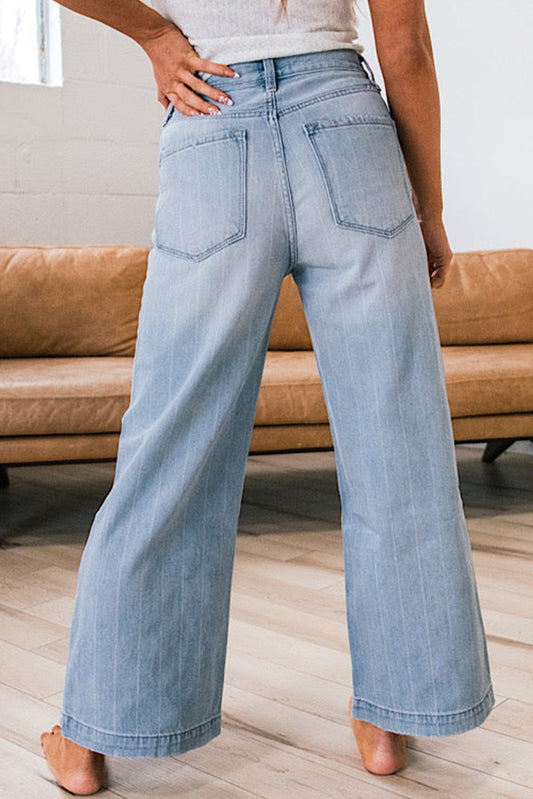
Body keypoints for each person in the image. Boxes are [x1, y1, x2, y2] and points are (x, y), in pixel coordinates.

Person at [40, 0, 495, 793]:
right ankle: (395, 718)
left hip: (211, 117)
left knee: (169, 447)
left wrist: (155, 34)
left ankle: (93, 735)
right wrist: (428, 208)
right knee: (399, 442)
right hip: (349, 131)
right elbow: (405, 47)